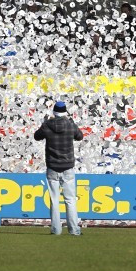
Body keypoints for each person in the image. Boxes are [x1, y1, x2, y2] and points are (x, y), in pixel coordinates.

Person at [33, 101, 84, 236]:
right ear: (65, 112)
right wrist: (71, 123)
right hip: (67, 167)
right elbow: (80, 136)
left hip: (52, 167)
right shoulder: (70, 125)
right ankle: (74, 230)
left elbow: (36, 136)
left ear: (54, 112)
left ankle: (56, 229)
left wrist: (44, 124)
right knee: (70, 200)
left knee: (54, 200)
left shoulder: (47, 125)